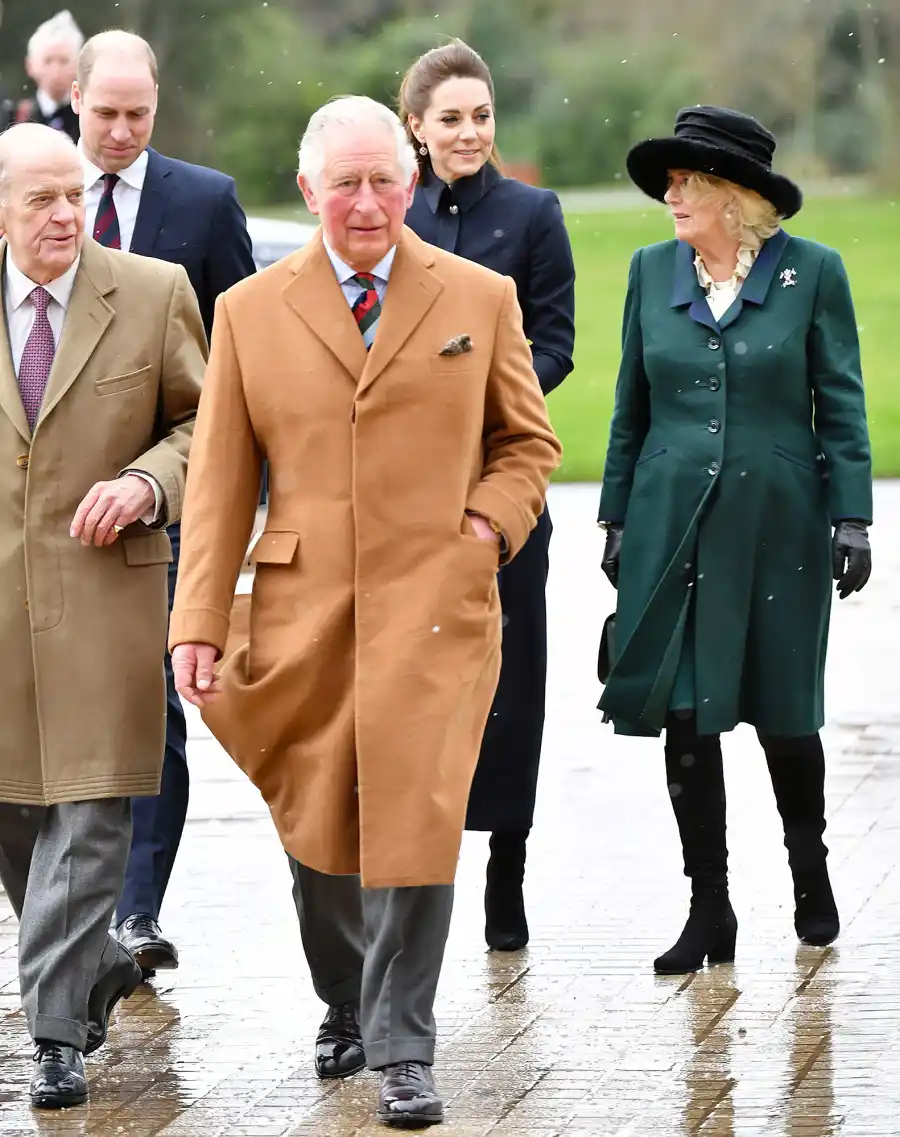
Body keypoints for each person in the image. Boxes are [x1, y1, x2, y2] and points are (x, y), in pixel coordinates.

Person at [169, 95, 560, 1128]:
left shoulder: (478, 297)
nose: (367, 202)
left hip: (436, 606)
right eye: (344, 183)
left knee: (418, 812)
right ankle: (345, 996)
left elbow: (527, 444)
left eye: (385, 179)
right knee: (320, 816)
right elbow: (218, 484)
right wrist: (196, 621)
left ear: (413, 182)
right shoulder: (249, 311)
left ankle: (403, 1048)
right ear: (308, 190)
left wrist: (484, 528)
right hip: (302, 610)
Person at [597, 106, 873, 975]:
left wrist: (853, 515)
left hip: (778, 522)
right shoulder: (650, 272)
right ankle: (708, 905)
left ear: (736, 196)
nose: (672, 195)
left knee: (783, 708)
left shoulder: (813, 272)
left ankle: (808, 868)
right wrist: (615, 517)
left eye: (689, 181)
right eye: (671, 182)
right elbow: (629, 406)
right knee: (683, 711)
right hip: (669, 522)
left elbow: (842, 400)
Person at [0, 123, 205, 1108]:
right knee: (16, 817)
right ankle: (99, 968)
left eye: (73, 195)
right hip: (4, 606)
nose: (64, 216)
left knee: (88, 816)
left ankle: (53, 1037)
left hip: (107, 591)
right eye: (40, 199)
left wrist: (146, 482)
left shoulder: (154, 292)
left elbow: (206, 423)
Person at [71, 29, 256, 978]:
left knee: (153, 703)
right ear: (74, 100)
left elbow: (245, 348)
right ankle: (65, 906)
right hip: (46, 499)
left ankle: (137, 909)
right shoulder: (35, 197)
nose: (120, 131)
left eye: (137, 114)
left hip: (167, 494)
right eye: (105, 113)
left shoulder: (203, 202)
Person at [400, 40, 575, 953]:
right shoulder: (395, 214)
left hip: (505, 484)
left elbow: (557, 341)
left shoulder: (533, 214)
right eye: (451, 119)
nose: (469, 133)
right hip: (407, 490)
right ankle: (420, 863)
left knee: (511, 677)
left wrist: (482, 400)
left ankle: (508, 865)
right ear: (416, 128)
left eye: (482, 116)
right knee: (416, 677)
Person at [17, 11, 82, 142]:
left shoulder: (86, 117)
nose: (55, 70)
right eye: (48, 61)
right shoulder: (16, 118)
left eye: (64, 61)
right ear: (30, 65)